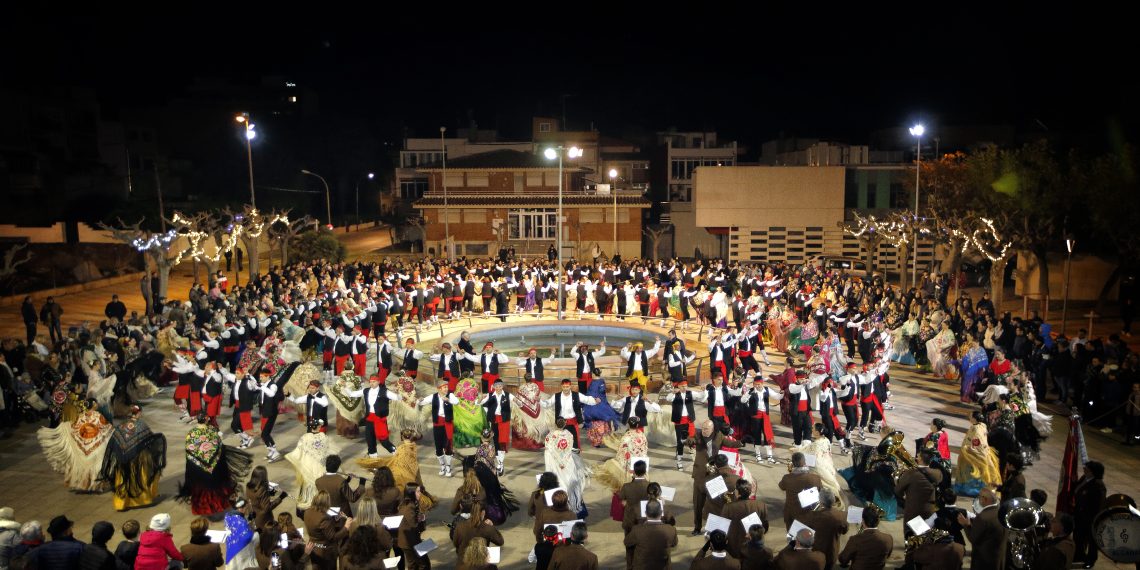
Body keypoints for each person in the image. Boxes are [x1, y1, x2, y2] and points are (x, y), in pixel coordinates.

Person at [177, 413, 253, 516]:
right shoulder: (213, 431)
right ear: (206, 420)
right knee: (216, 486)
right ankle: (216, 505)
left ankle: (203, 507)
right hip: (215, 465)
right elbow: (219, 448)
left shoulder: (191, 433)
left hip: (197, 467)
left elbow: (189, 452)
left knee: (201, 487)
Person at [98, 405, 167, 511]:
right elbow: (149, 441)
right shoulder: (142, 425)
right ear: (139, 413)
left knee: (123, 479)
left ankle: (122, 503)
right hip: (138, 459)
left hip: (123, 460)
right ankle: (141, 500)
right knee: (140, 477)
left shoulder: (121, 426)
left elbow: (114, 441)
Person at [37, 397, 113, 492]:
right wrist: (113, 430)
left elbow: (75, 428)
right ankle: (93, 485)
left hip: (83, 446)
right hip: (95, 446)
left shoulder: (81, 416)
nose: (97, 405)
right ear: (93, 404)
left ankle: (84, 485)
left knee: (84, 467)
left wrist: (65, 426)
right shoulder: (98, 416)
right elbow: (106, 428)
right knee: (95, 466)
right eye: (96, 403)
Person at [357, 429, 435, 511]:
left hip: (402, 472)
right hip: (409, 471)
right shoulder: (413, 447)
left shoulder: (401, 448)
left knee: (402, 488)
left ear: (402, 437)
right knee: (413, 486)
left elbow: (396, 459)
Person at [953, 411, 1002, 497]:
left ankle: (973, 489)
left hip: (975, 454)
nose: (969, 417)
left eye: (971, 416)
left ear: (974, 418)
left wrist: (967, 448)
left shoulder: (976, 428)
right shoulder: (983, 425)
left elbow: (977, 442)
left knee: (973, 471)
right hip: (983, 451)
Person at [956, 488, 1007, 570]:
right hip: (998, 559)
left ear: (985, 499)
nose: (978, 500)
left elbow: (973, 538)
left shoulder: (982, 517)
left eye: (979, 497)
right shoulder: (1002, 513)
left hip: (984, 562)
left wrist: (965, 524)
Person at [720, 479, 768, 559]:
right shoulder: (761, 505)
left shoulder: (728, 507)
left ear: (738, 493)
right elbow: (765, 527)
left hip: (734, 547)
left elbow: (722, 528)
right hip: (754, 546)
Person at [624, 500, 678, 570]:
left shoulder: (637, 530)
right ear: (661, 513)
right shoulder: (671, 530)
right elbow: (674, 543)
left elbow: (627, 542)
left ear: (646, 513)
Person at [1071, 460, 1106, 569]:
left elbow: (1098, 505)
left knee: (1091, 540)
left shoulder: (1098, 486)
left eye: (1087, 469)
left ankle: (1091, 560)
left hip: (1090, 518)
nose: (1084, 469)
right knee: (1078, 537)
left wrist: (1090, 518)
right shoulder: (1085, 478)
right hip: (1079, 515)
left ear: (1093, 472)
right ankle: (1079, 555)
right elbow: (1078, 488)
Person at [778, 452, 824, 529]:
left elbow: (781, 486)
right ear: (804, 462)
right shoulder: (815, 478)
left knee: (792, 539)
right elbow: (820, 491)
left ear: (793, 463)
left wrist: (791, 472)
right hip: (808, 516)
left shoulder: (786, 478)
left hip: (791, 516)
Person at [396, 483, 430, 570]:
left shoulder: (408, 503)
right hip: (409, 542)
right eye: (418, 491)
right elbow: (414, 523)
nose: (420, 494)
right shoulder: (410, 507)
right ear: (411, 493)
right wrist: (422, 517)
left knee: (413, 564)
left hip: (408, 540)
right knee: (423, 564)